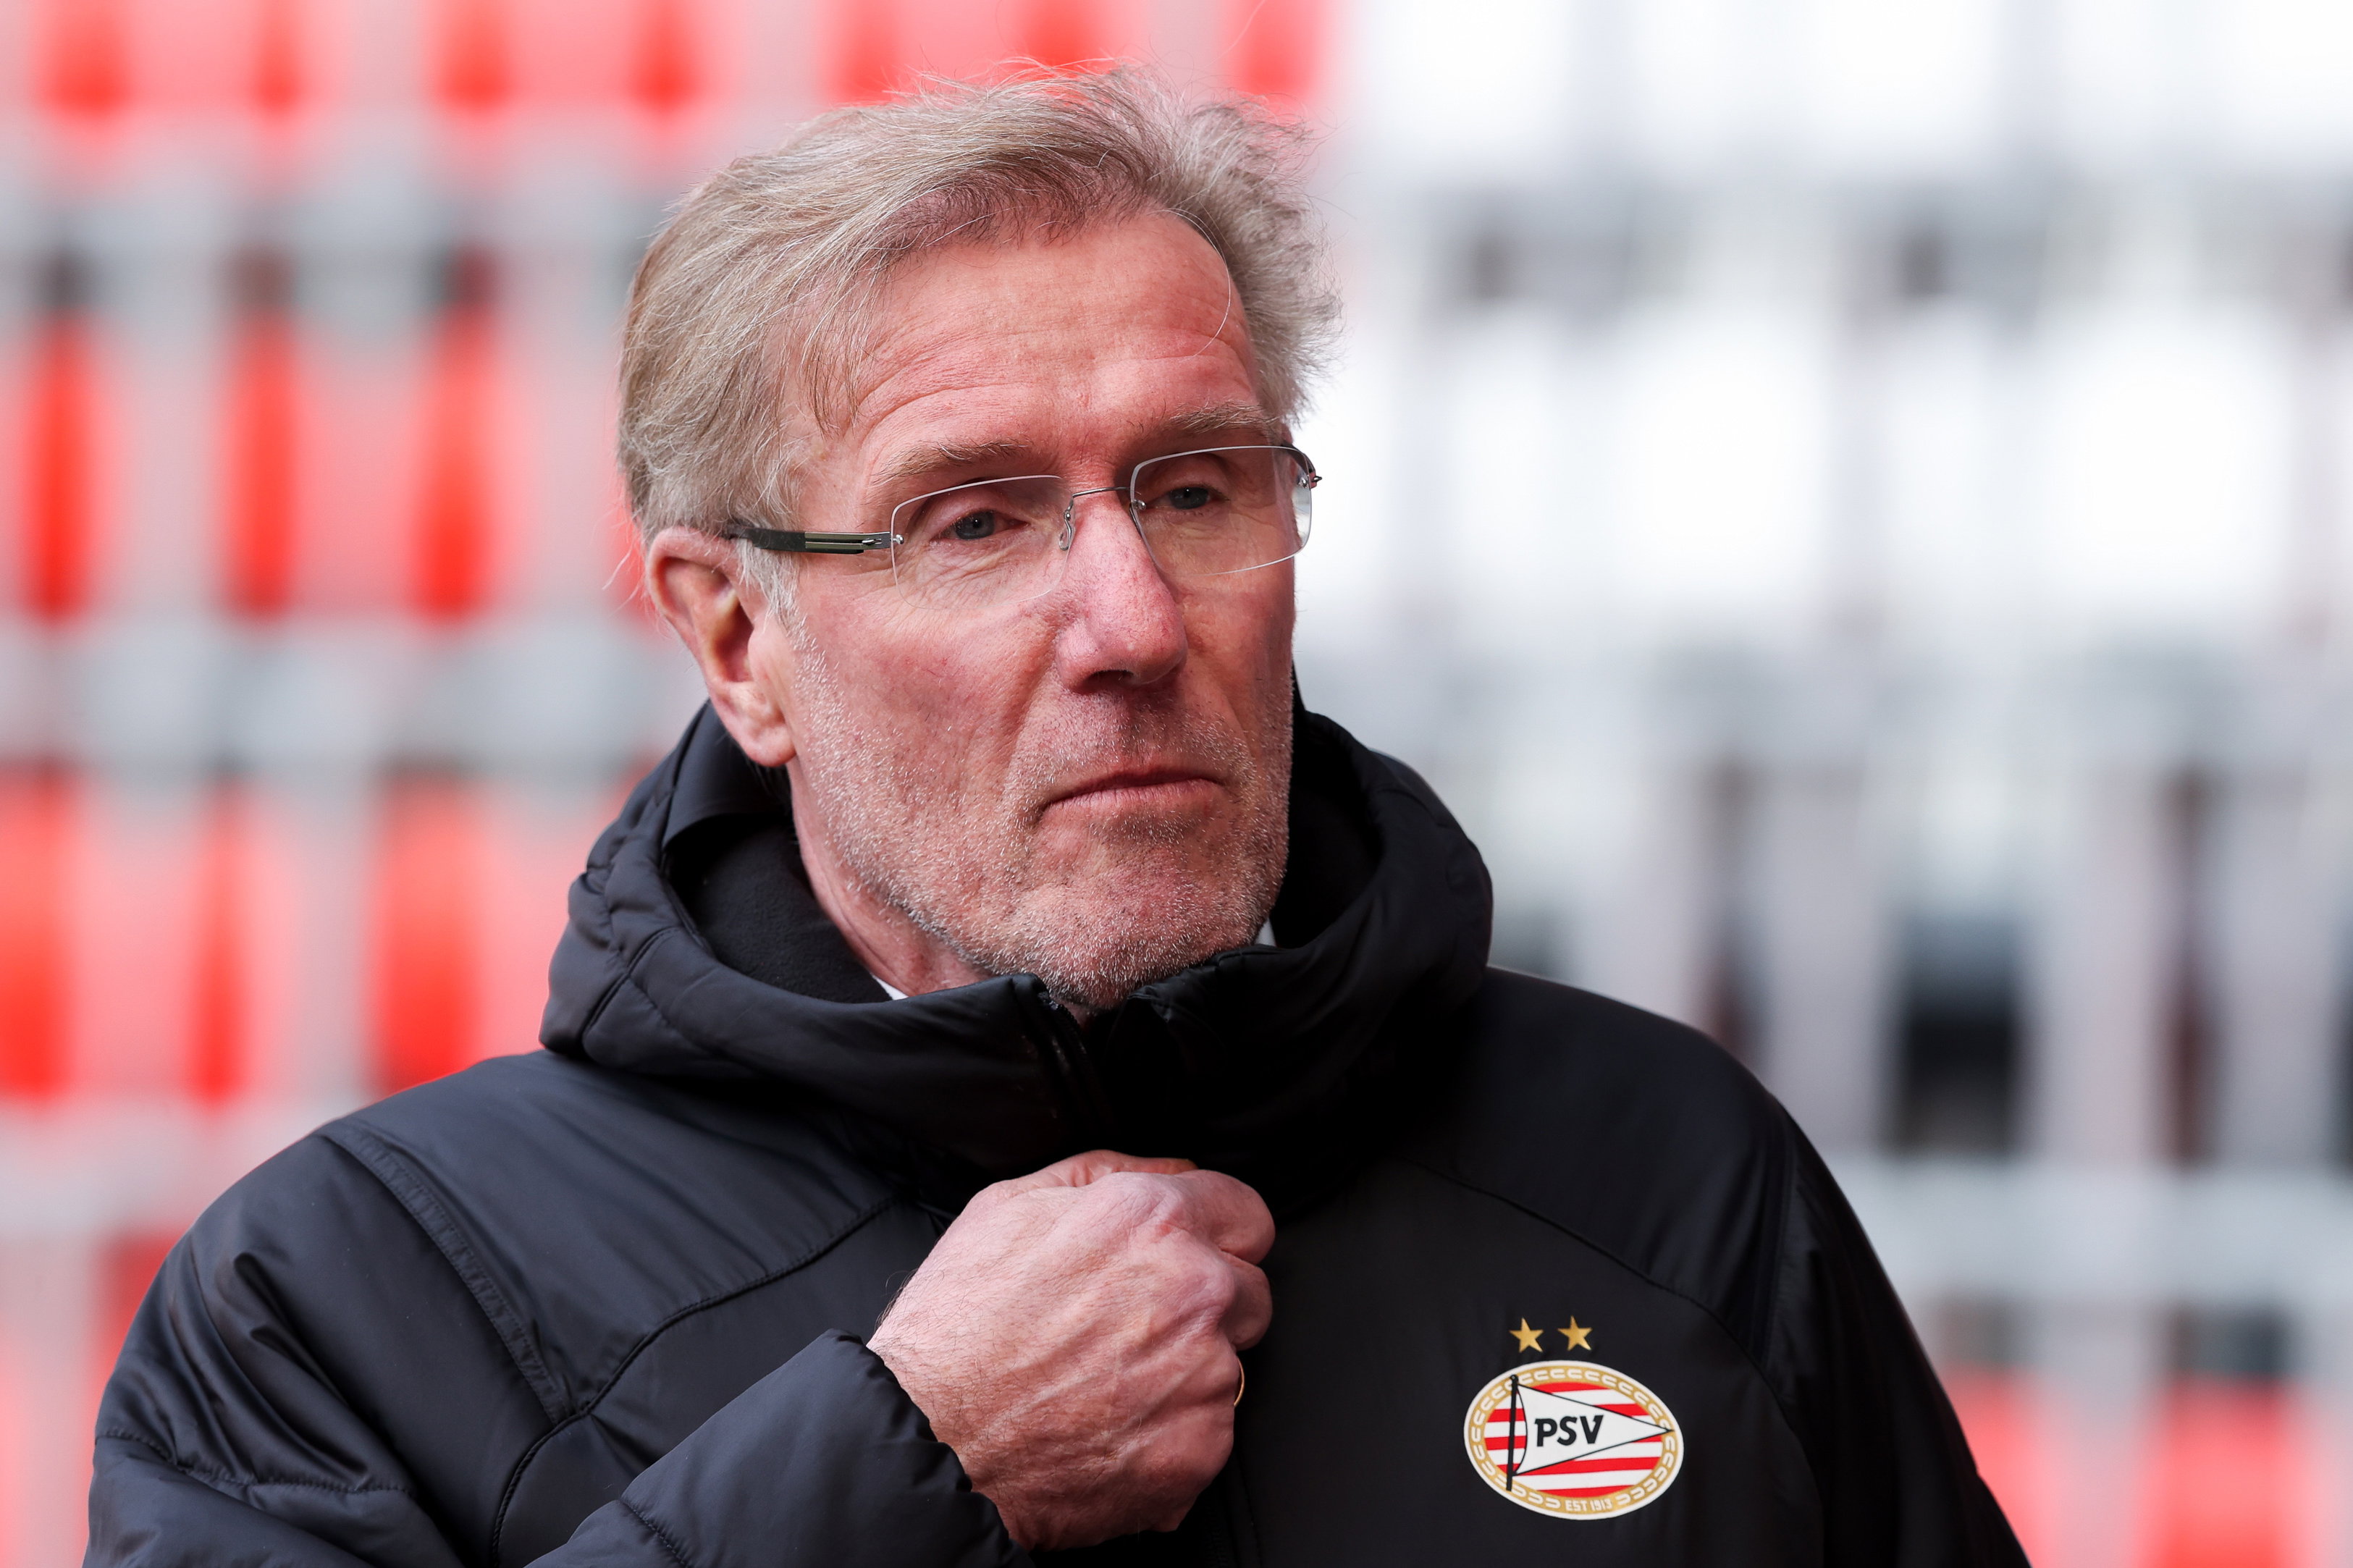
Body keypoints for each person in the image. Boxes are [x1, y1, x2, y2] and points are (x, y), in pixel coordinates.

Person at [87, 72, 2025, 1567]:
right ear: (738, 639)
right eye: (974, 520)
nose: (1128, 621)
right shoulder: (357, 1295)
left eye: (1194, 489)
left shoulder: (1659, 1177)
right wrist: (899, 1466)